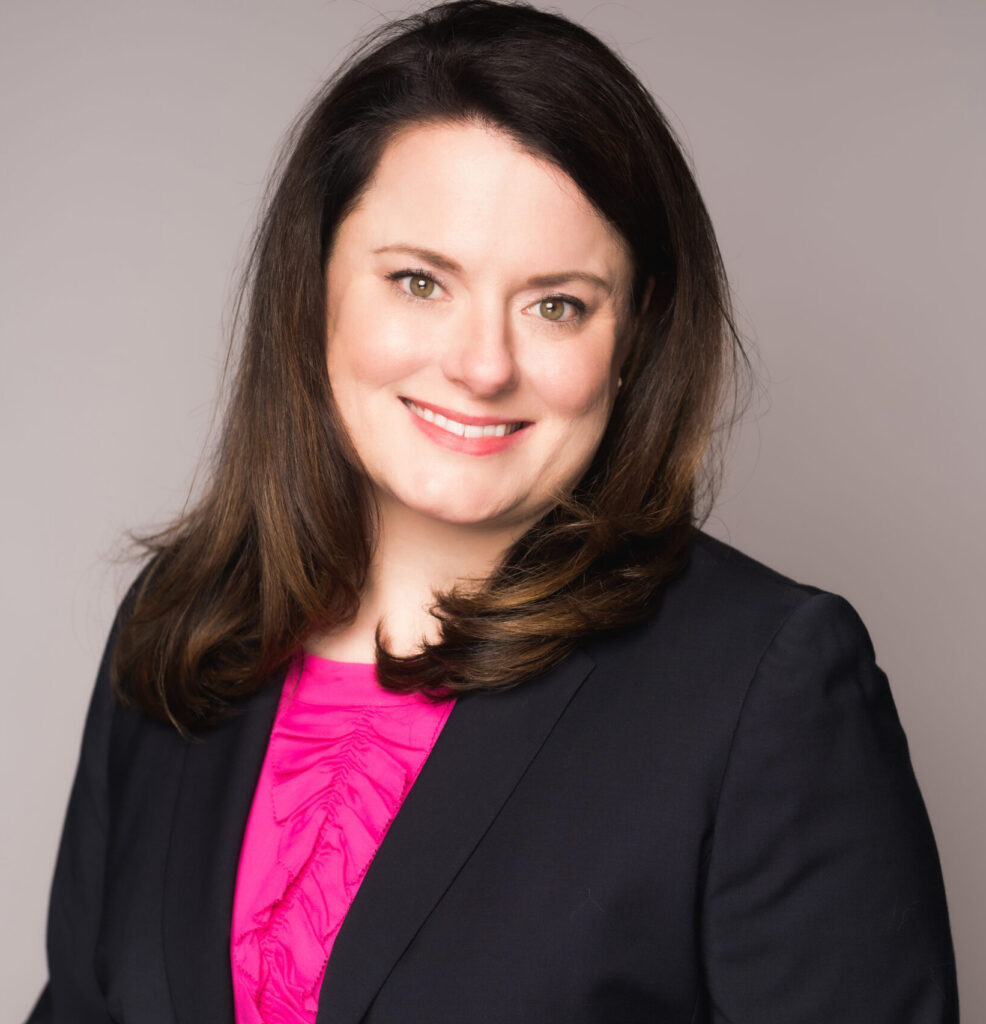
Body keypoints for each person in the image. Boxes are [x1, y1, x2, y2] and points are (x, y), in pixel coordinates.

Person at [28, 1, 958, 1021]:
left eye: (555, 302)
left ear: (635, 328)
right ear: (316, 286)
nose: (481, 365)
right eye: (420, 282)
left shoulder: (764, 688)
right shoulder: (182, 626)